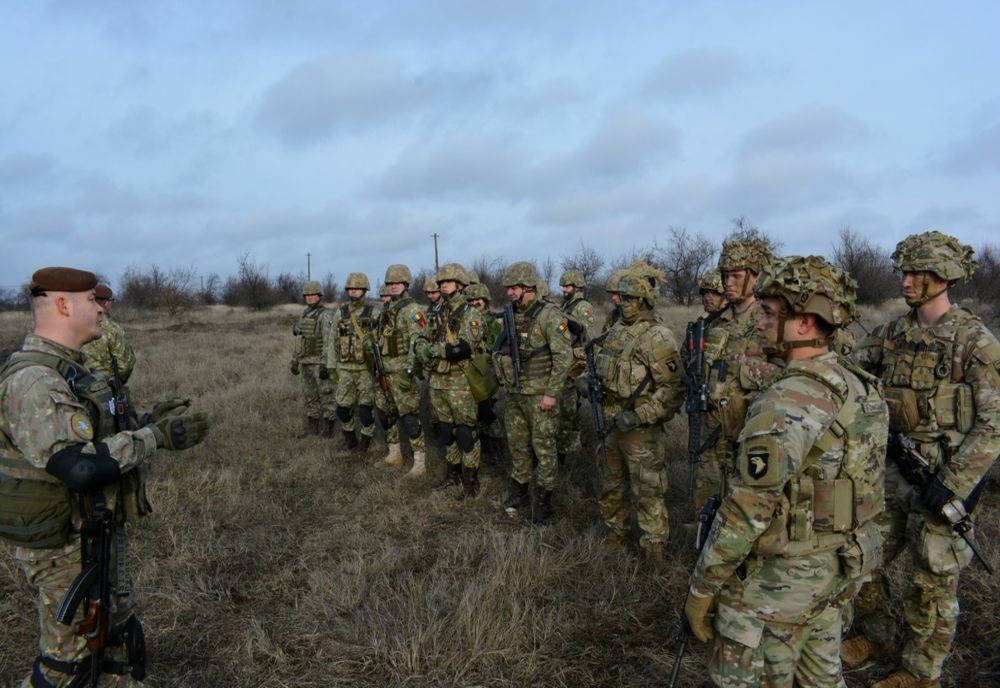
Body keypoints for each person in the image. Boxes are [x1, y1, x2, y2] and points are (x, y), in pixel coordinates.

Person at [0, 267, 209, 687]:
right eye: (93, 301)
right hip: (64, 545)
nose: (102, 309)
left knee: (111, 642)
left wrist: (150, 420)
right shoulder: (35, 379)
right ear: (63, 305)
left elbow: (99, 436)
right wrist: (152, 438)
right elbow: (78, 467)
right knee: (68, 666)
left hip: (93, 533)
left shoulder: (73, 371)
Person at [685, 255, 887, 688]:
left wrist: (702, 589)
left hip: (776, 587)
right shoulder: (858, 385)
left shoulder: (785, 403)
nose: (759, 322)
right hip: (833, 574)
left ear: (805, 323)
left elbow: (747, 511)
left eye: (771, 314)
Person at [843, 231, 1000, 688]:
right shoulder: (894, 332)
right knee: (864, 556)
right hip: (892, 472)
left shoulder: (974, 341)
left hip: (943, 477)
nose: (907, 281)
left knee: (932, 580)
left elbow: (993, 423)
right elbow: (852, 364)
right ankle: (875, 637)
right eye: (905, 271)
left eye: (918, 273)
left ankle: (920, 671)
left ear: (943, 277)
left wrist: (952, 485)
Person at [591, 264, 684, 559]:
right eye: (622, 298)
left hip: (640, 432)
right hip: (610, 424)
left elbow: (673, 390)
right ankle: (615, 541)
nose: (626, 304)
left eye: (632, 299)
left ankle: (653, 552)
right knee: (611, 487)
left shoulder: (657, 336)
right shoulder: (615, 331)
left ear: (644, 301)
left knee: (648, 494)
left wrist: (640, 416)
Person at [692, 239, 780, 516]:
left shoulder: (771, 322)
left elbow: (789, 377)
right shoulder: (713, 323)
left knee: (746, 512)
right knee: (704, 507)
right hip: (710, 435)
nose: (728, 283)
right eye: (725, 276)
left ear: (756, 277)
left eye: (737, 276)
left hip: (749, 434)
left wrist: (747, 370)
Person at [493, 261, 573, 523]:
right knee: (518, 446)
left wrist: (551, 393)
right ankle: (519, 492)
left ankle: (543, 500)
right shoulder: (511, 315)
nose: (509, 293)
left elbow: (563, 357)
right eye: (508, 288)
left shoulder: (550, 315)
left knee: (544, 448)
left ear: (528, 287)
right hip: (516, 394)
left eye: (514, 288)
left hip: (540, 396)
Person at [415, 263, 485, 498]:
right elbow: (420, 339)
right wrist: (423, 348)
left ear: (461, 285)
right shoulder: (435, 312)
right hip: (437, 381)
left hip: (461, 382)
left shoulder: (471, 313)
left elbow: (463, 349)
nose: (442, 285)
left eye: (447, 282)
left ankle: (470, 483)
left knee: (466, 433)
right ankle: (452, 475)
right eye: (441, 282)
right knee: (447, 431)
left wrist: (432, 350)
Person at [372, 265, 429, 477]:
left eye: (397, 283)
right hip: (384, 372)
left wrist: (410, 370)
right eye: (390, 283)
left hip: (402, 372)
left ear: (406, 284)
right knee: (386, 414)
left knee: (410, 418)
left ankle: (420, 462)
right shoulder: (387, 309)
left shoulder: (412, 310)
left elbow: (419, 340)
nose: (393, 286)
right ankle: (394, 454)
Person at [327, 273, 379, 451]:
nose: (354, 292)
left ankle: (365, 440)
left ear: (364, 290)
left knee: (365, 409)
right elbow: (333, 340)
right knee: (343, 408)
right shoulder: (340, 313)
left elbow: (380, 341)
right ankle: (350, 438)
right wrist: (331, 366)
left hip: (365, 369)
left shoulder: (374, 312)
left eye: (357, 289)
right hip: (345, 368)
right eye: (351, 289)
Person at [556, 270, 595, 463]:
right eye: (563, 286)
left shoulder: (582, 306)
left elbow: (586, 333)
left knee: (569, 408)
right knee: (563, 405)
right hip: (564, 359)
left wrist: (573, 324)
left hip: (575, 362)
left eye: (567, 286)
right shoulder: (565, 305)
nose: (564, 289)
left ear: (577, 287)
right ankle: (564, 443)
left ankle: (569, 448)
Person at [290, 280, 336, 437]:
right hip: (305, 361)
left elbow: (328, 340)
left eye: (313, 295)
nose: (310, 298)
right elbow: (300, 339)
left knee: (326, 395)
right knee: (310, 396)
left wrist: (325, 364)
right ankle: (312, 428)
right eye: (307, 295)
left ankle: (328, 429)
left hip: (318, 362)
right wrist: (295, 360)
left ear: (319, 296)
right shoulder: (304, 313)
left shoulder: (325, 315)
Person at [464, 282, 504, 464]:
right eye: (470, 300)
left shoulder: (493, 322)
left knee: (487, 413)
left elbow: (494, 348)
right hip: (470, 373)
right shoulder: (467, 319)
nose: (474, 303)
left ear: (485, 301)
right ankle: (481, 450)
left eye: (477, 300)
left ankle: (496, 449)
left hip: (485, 372)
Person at [81, 284, 136, 384]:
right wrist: (116, 383)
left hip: (77, 385)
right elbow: (126, 364)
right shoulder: (112, 328)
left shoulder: (75, 324)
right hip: (105, 387)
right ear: (106, 303)